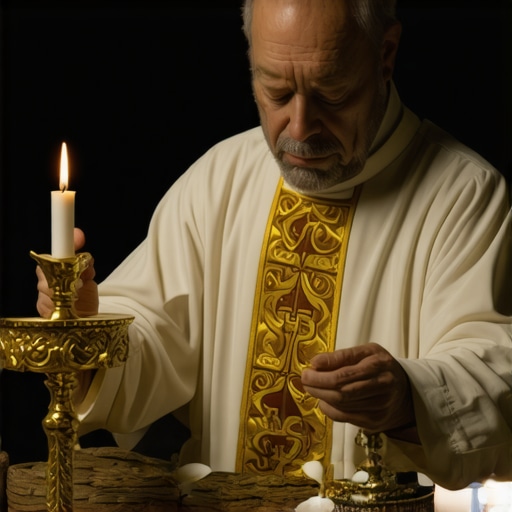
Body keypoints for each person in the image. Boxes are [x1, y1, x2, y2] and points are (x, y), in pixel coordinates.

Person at [36, 0, 512, 491]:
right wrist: (88, 332)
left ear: (385, 55)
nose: (300, 128)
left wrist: (409, 398)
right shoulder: (220, 179)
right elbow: (155, 342)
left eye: (331, 93)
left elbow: (496, 374)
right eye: (276, 91)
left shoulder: (465, 196)